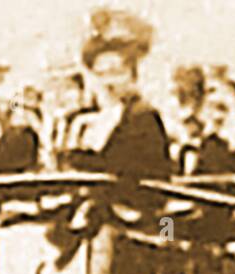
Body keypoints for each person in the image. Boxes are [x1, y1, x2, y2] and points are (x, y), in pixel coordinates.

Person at [58, 8, 171, 178]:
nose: (108, 83)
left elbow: (131, 171)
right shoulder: (93, 120)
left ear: (132, 75)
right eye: (101, 74)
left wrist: (79, 160)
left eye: (116, 72)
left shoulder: (143, 117)